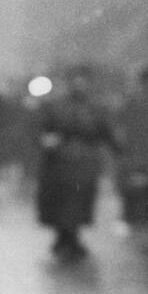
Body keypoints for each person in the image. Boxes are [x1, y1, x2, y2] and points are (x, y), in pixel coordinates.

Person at [36, 71, 117, 261]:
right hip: (61, 163)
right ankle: (64, 237)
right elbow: (43, 129)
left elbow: (105, 131)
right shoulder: (56, 106)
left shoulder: (94, 108)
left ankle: (71, 237)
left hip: (85, 163)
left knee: (79, 202)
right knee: (62, 202)